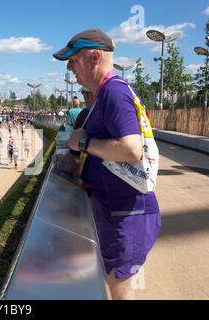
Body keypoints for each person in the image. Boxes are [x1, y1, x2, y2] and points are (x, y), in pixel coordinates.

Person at [53, 28, 161, 300]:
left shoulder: (113, 91)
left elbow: (131, 149)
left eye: (73, 61)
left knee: (120, 294)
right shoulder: (103, 94)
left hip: (128, 215)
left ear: (95, 58)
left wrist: (84, 143)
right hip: (117, 213)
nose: (70, 69)